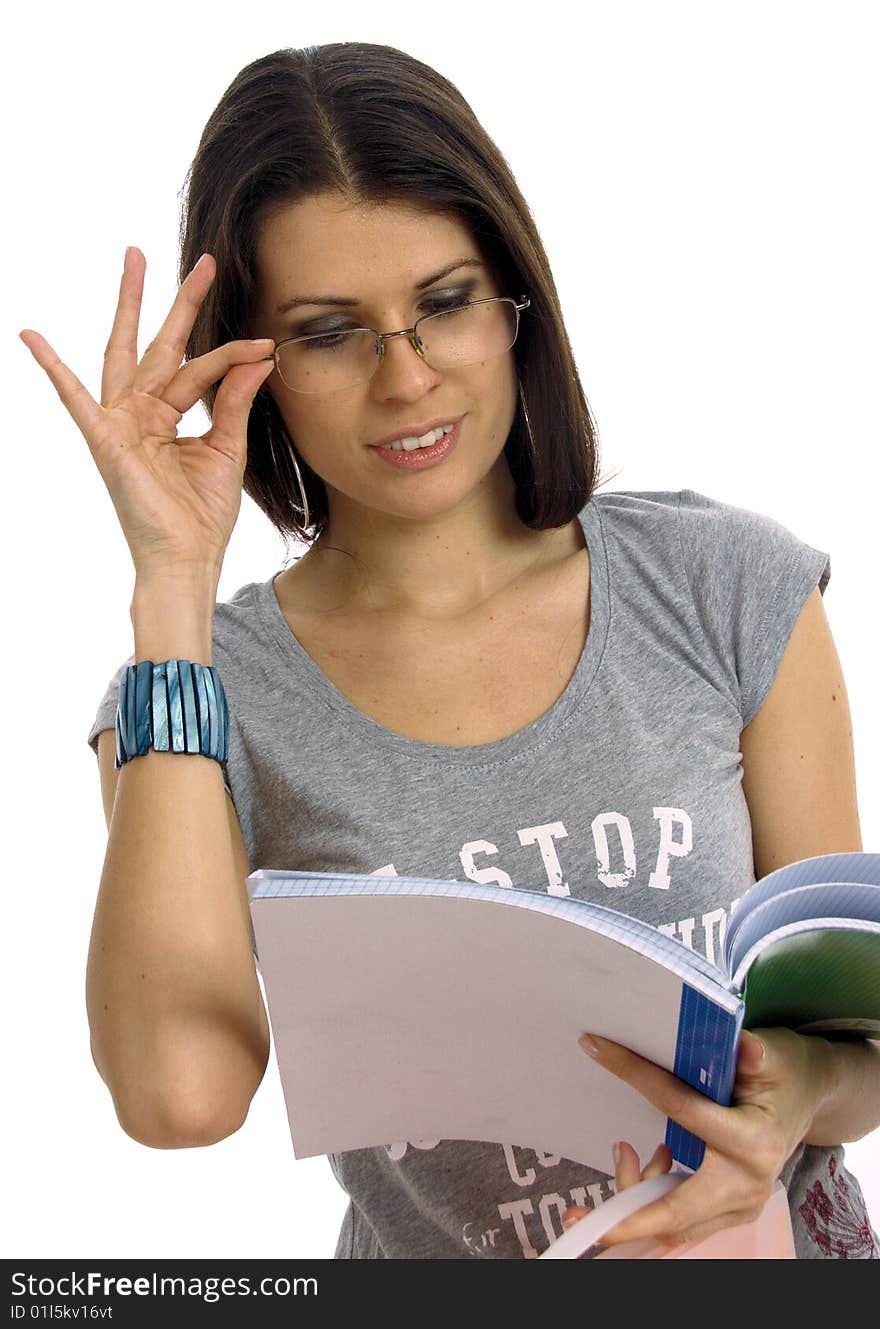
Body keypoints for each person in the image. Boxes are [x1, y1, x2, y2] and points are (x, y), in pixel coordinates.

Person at [22, 42, 879, 1260]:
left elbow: (857, 1047)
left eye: (442, 301)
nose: (407, 377)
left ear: (512, 295)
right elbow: (179, 1099)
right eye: (329, 333)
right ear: (248, 362)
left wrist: (792, 1091)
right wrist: (172, 589)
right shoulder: (203, 698)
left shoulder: (724, 586)